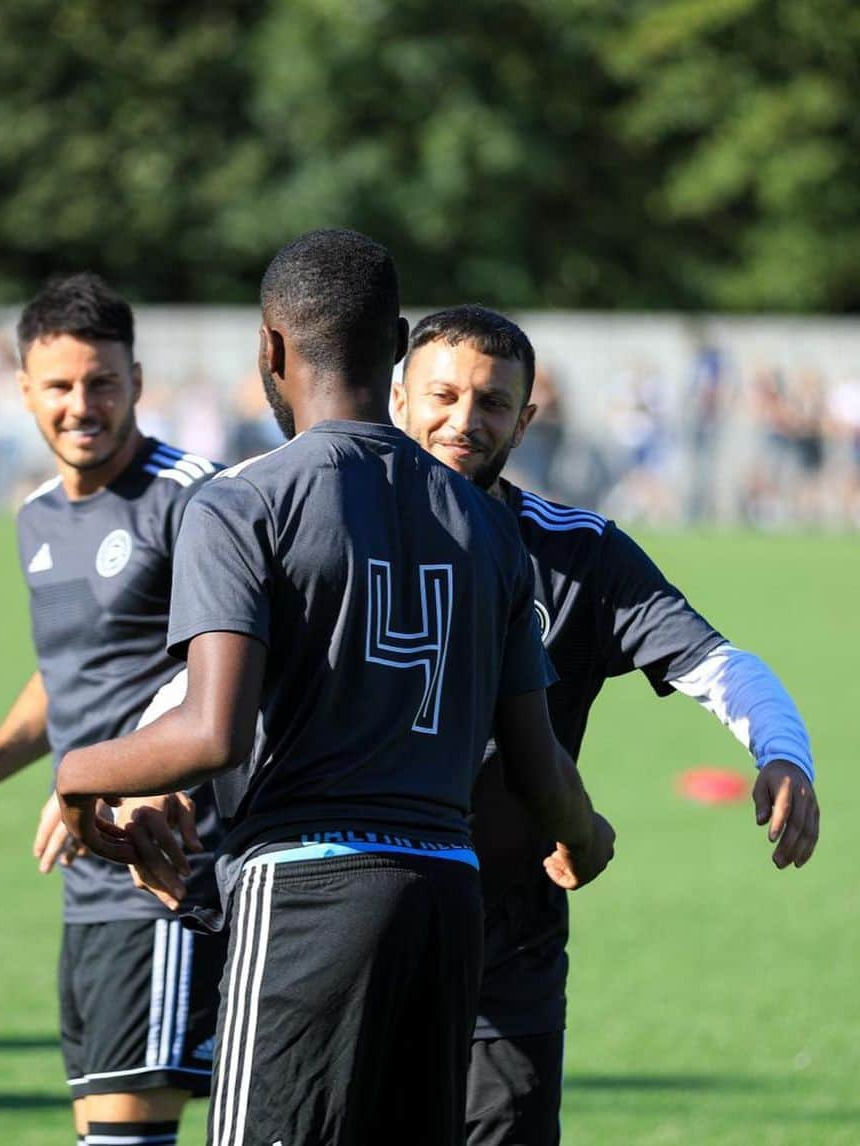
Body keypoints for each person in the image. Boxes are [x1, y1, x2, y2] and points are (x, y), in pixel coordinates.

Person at [55, 229, 615, 1146]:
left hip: (306, 901)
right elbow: (535, 760)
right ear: (398, 346)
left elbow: (212, 733)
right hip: (447, 907)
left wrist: (82, 771)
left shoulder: (243, 502)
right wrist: (586, 836)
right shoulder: (485, 522)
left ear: (269, 349)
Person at [391, 304, 820, 1146]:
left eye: (490, 403)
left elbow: (717, 662)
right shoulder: (328, 522)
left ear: (527, 419)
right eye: (442, 396)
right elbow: (213, 667)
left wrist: (783, 750)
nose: (462, 421)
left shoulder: (577, 553)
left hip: (506, 949)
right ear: (399, 397)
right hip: (354, 929)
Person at [0, 272, 226, 1146]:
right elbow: (67, 671)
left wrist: (114, 777)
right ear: (23, 390)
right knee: (101, 1133)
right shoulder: (36, 516)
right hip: (86, 883)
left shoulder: (197, 498)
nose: (81, 404)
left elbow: (237, 669)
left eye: (102, 381)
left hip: (165, 868)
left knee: (129, 1137)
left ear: (137, 377)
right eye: (59, 385)